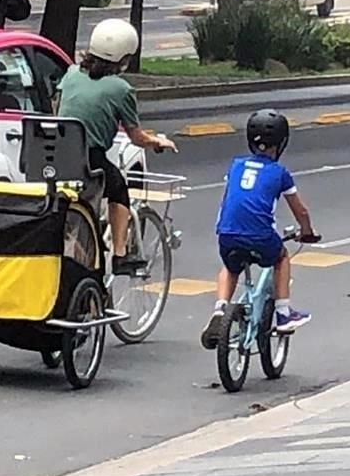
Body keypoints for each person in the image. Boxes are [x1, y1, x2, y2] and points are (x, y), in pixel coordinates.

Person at [56, 19, 178, 275]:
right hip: (90, 161)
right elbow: (136, 137)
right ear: (124, 58)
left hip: (57, 156)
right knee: (119, 189)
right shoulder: (121, 88)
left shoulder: (70, 75)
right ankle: (121, 254)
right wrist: (157, 141)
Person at [201, 110, 318, 348]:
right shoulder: (280, 173)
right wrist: (306, 231)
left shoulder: (236, 166)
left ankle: (220, 308)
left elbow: (229, 200)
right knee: (281, 257)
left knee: (230, 267)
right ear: (282, 142)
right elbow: (301, 211)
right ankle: (284, 313)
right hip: (260, 237)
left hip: (227, 233)